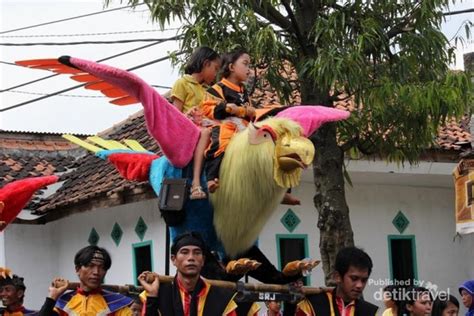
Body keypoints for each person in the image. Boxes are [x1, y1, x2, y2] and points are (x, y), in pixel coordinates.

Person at [138, 232, 260, 316]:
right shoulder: (159, 295)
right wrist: (152, 296)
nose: (191, 258)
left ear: (203, 260)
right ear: (173, 259)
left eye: (197, 253)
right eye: (184, 252)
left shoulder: (221, 299)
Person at [201, 48, 257, 193]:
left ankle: (280, 188)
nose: (249, 70)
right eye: (245, 64)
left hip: (245, 128)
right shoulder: (216, 89)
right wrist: (226, 108)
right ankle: (211, 178)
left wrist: (249, 113)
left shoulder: (244, 92)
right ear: (231, 67)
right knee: (220, 141)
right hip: (225, 125)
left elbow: (249, 112)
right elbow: (208, 109)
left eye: (249, 65)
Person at [170, 46, 221, 200]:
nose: (216, 73)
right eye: (215, 68)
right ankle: (196, 183)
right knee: (206, 132)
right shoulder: (182, 83)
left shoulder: (206, 91)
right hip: (189, 131)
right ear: (205, 64)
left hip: (204, 127)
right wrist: (189, 115)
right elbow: (175, 117)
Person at [38, 245, 133, 315]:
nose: (96, 272)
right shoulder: (62, 305)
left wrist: (148, 296)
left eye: (102, 267)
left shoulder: (118, 305)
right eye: (91, 266)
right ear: (77, 269)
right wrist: (52, 297)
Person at [295, 246, 378, 316]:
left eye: (364, 280)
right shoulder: (311, 306)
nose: (359, 285)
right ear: (337, 276)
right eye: (354, 278)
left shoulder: (370, 312)